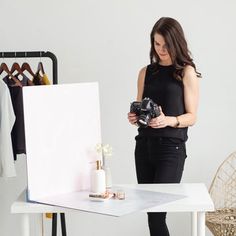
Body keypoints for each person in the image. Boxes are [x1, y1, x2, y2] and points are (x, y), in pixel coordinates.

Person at [128, 17, 201, 236]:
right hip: (144, 147)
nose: (161, 49)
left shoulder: (186, 72)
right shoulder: (145, 72)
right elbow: (141, 106)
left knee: (158, 212)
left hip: (171, 149)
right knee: (151, 212)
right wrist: (135, 117)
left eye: (165, 45)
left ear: (176, 42)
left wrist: (168, 120)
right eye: (156, 44)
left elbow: (192, 117)